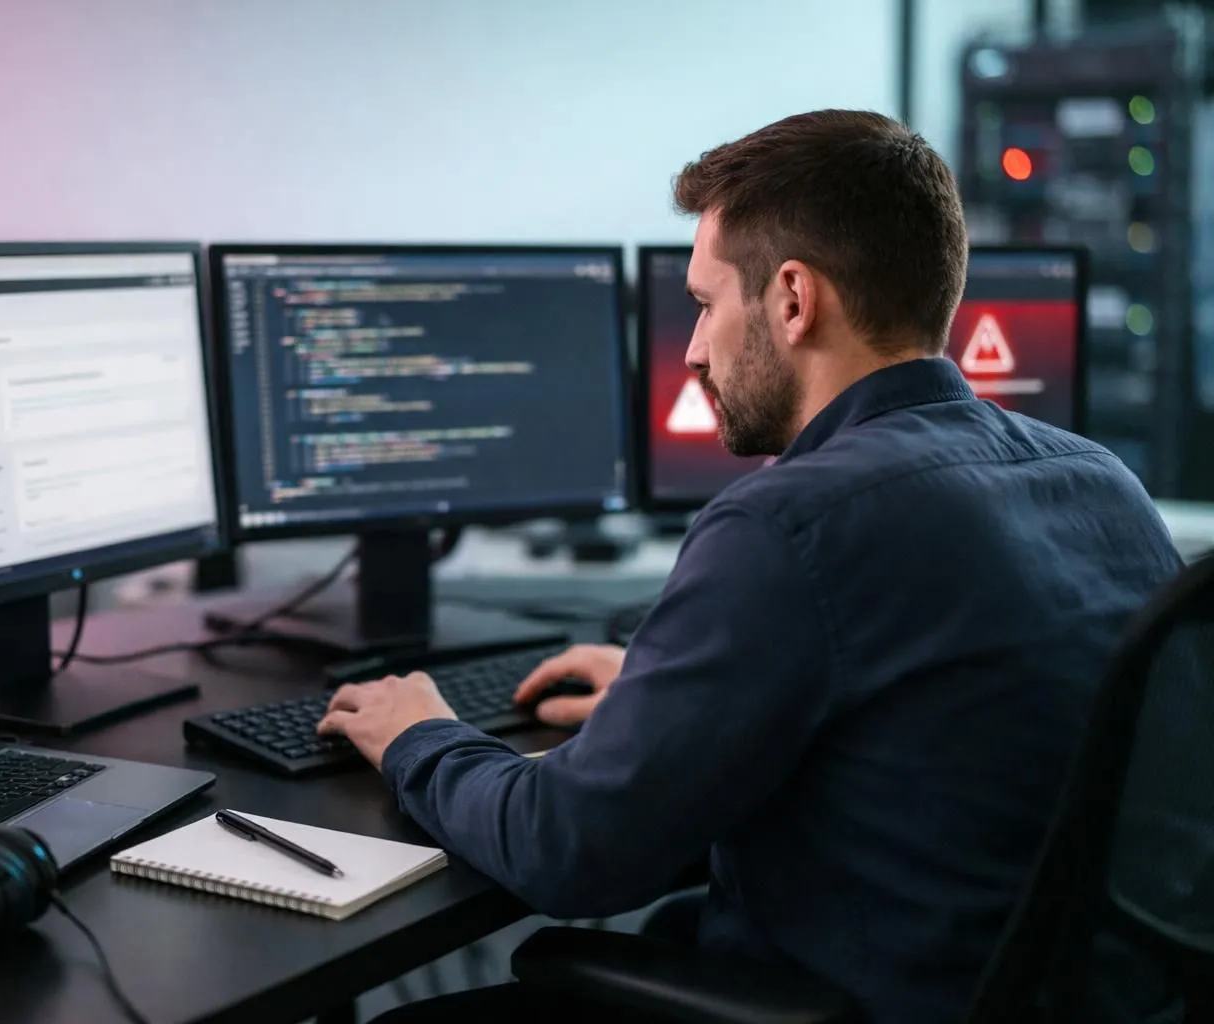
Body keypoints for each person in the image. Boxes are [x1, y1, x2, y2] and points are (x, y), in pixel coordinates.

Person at [317, 109, 1184, 1023]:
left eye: (704, 304)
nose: (692, 350)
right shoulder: (1102, 482)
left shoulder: (787, 523)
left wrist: (421, 735)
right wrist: (669, 700)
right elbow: (948, 739)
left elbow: (564, 849)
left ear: (794, 299)